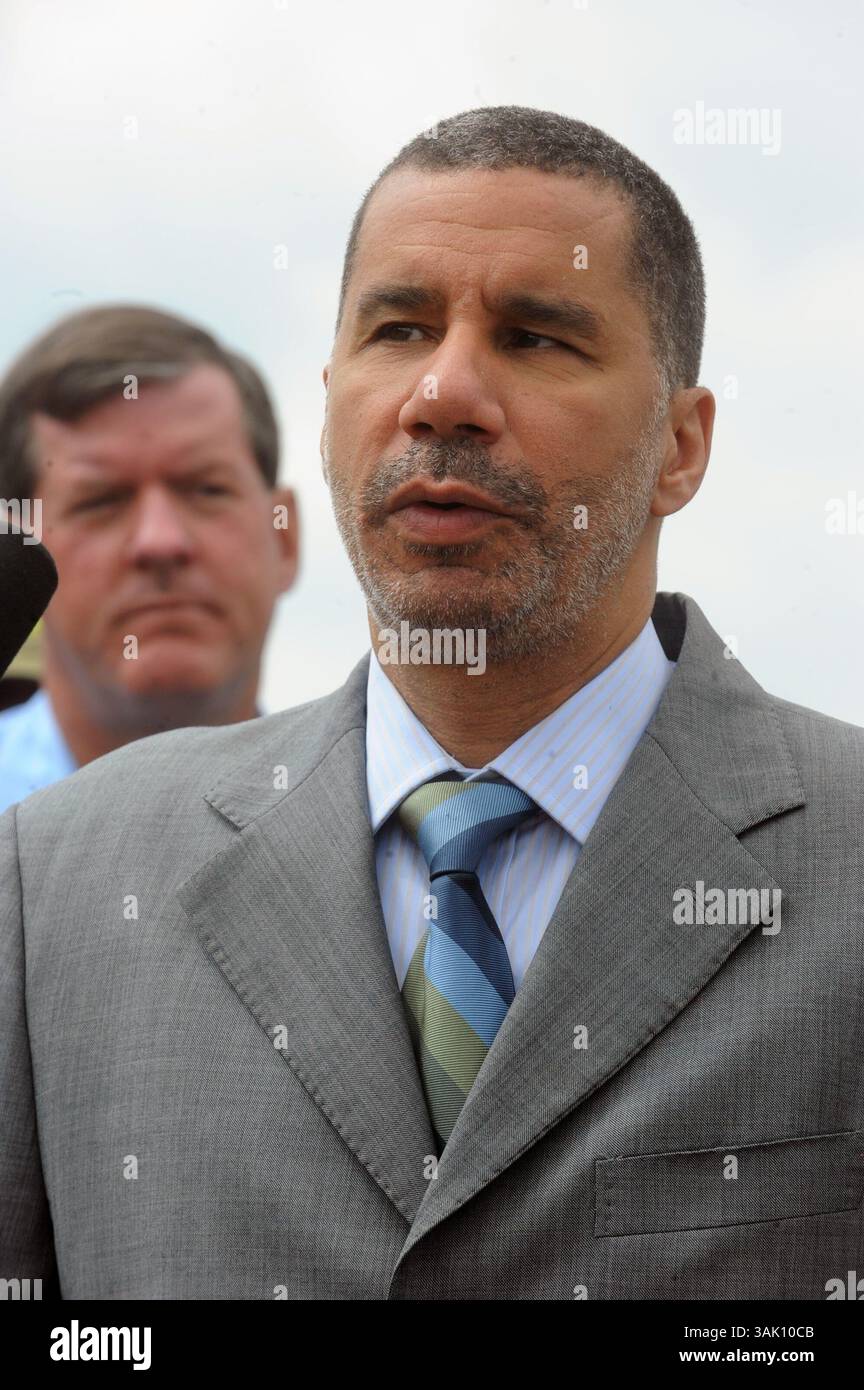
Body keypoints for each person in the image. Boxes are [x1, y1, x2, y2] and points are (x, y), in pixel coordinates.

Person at [1, 107, 861, 1301]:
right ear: (331, 399)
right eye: (398, 328)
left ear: (682, 443)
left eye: (536, 337)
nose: (444, 392)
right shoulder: (56, 884)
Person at [0, 305, 299, 813]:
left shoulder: (387, 835)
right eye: (101, 501)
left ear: (285, 538)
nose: (160, 542)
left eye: (206, 489)